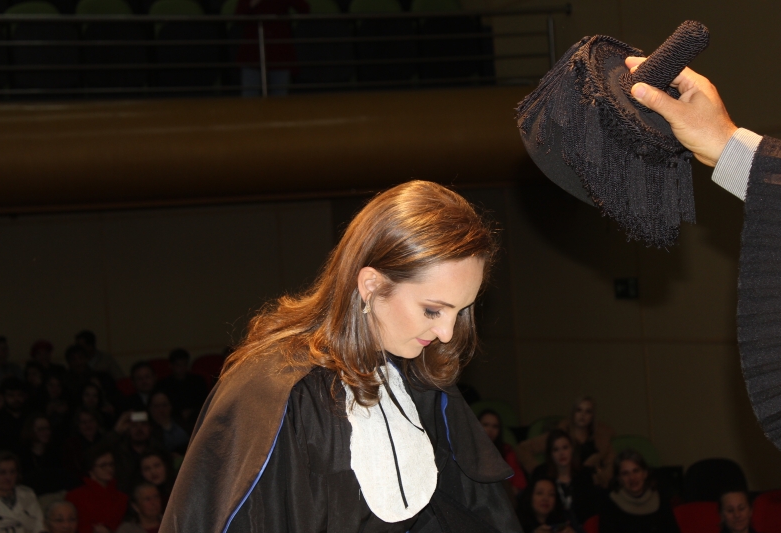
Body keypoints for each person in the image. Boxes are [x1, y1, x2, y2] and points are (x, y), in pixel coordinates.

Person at [162, 181, 522, 532]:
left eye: (461, 310)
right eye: (432, 310)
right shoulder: (275, 392)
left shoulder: (419, 375)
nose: (446, 333)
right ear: (371, 285)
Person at [517, 396, 615, 487]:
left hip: (590, 486)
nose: (583, 415)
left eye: (588, 411)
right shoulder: (560, 434)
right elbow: (523, 448)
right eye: (579, 410)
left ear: (592, 416)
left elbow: (610, 464)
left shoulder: (601, 439)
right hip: (562, 484)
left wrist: (599, 478)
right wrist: (540, 473)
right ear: (573, 413)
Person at [234, 0, 309, 97]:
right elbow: (238, 16)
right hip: (253, 51)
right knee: (250, 95)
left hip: (279, 51)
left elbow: (304, 9)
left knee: (279, 95)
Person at [599, 449, 680, 533]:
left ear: (645, 473)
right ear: (619, 479)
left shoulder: (660, 498)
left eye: (636, 471)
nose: (632, 478)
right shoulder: (610, 505)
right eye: (625, 473)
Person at [531, 429, 597, 526]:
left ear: (572, 449)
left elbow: (591, 510)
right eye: (556, 449)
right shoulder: (541, 474)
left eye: (565, 448)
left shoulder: (584, 475)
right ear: (550, 454)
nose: (561, 453)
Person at [65, 446, 129, 533]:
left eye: (111, 464)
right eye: (103, 465)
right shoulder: (75, 496)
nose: (109, 469)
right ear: (91, 470)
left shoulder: (122, 498)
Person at [0, 451, 45, 533]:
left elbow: (40, 526)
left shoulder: (27, 495)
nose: (8, 477)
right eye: (2, 472)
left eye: (12, 472)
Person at [477, 409, 527, 494]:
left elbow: (519, 483)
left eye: (495, 426)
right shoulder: (467, 451)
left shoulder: (506, 451)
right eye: (485, 425)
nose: (490, 429)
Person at [156, 349, 207, 428]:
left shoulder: (198, 381)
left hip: (196, 418)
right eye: (178, 365)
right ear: (171, 365)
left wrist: (191, 411)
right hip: (172, 419)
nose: (182, 368)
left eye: (184, 364)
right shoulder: (163, 384)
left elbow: (205, 402)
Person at [0, 377, 30, 452]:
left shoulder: (30, 417)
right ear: (3, 397)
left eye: (19, 395)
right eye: (11, 395)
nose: (16, 399)